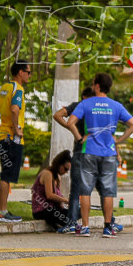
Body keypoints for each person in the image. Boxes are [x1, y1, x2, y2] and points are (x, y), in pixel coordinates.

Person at [66, 72, 133, 238]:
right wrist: (118, 140)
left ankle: (85, 226)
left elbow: (70, 122)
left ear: (96, 85)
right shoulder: (116, 106)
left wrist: (79, 138)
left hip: (89, 150)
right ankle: (107, 227)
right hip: (109, 152)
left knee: (85, 190)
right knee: (108, 191)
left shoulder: (86, 103)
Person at [0, 61, 31, 223]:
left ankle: (1, 209)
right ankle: (1, 210)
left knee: (5, 174)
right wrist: (16, 128)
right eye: (28, 72)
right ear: (20, 72)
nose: (29, 75)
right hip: (12, 138)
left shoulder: (4, 88)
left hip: (3, 135)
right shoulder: (18, 89)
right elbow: (15, 109)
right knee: (7, 175)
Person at [52, 85, 94, 233]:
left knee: (76, 189)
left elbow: (57, 115)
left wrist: (73, 130)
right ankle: (110, 222)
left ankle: (72, 223)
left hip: (80, 150)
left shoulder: (77, 106)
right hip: (98, 152)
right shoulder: (100, 108)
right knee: (100, 188)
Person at [32, 151, 72, 231]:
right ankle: (63, 225)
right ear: (59, 165)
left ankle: (61, 225)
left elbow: (58, 196)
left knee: (75, 211)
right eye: (65, 169)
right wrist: (66, 200)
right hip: (42, 210)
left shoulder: (57, 177)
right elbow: (49, 195)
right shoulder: (47, 174)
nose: (66, 172)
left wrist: (63, 204)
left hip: (52, 209)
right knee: (67, 214)